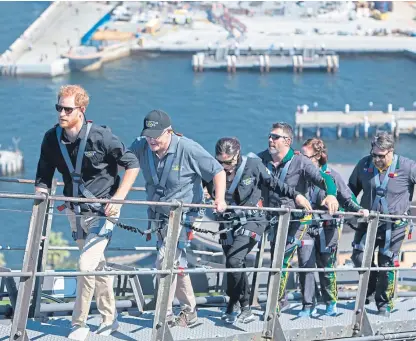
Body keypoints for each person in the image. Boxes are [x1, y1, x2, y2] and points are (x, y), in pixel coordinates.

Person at [35, 85, 139, 339]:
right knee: (96, 266)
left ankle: (78, 323)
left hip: (104, 211)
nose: (61, 113)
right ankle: (109, 318)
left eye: (67, 109)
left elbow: (132, 164)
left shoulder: (101, 137)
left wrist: (119, 197)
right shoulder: (52, 139)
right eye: (58, 107)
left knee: (84, 265)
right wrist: (41, 193)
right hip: (75, 211)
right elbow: (43, 175)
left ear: (81, 110)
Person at [129, 109, 227, 326]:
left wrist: (219, 199)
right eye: (148, 134)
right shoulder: (141, 145)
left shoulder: (188, 148)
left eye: (156, 135)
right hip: (158, 214)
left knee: (165, 261)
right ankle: (190, 310)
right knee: (177, 262)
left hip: (185, 214)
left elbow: (217, 171)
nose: (151, 139)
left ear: (169, 131)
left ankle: (163, 317)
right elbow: (123, 163)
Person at [203, 137, 312, 324]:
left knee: (234, 259)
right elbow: (203, 185)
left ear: (237, 154)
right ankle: (233, 302)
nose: (225, 166)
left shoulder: (253, 165)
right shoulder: (213, 168)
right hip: (227, 223)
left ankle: (245, 306)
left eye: (228, 162)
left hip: (253, 220)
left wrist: (297, 196)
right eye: (220, 161)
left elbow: (275, 184)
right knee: (232, 265)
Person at [257, 122, 340, 312]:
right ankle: (280, 301)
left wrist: (331, 194)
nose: (270, 139)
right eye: (269, 136)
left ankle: (275, 305)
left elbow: (325, 178)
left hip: (296, 221)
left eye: (275, 137)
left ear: (287, 141)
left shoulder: (300, 161)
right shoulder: (262, 159)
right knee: (276, 260)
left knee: (282, 260)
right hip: (273, 220)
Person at [299, 138, 369, 317]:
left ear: (317, 157)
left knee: (326, 266)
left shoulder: (332, 175)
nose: (300, 160)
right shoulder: (299, 174)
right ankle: (308, 305)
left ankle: (330, 303)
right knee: (305, 265)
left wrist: (359, 209)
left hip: (328, 228)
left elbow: (347, 198)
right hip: (305, 226)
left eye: (304, 156)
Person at [348, 132, 416, 316]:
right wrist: (352, 208)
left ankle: (384, 303)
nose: (376, 159)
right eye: (374, 155)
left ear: (391, 151)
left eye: (381, 156)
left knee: (387, 261)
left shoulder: (408, 167)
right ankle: (370, 290)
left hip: (394, 225)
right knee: (359, 257)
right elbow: (351, 190)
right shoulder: (364, 164)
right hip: (367, 221)